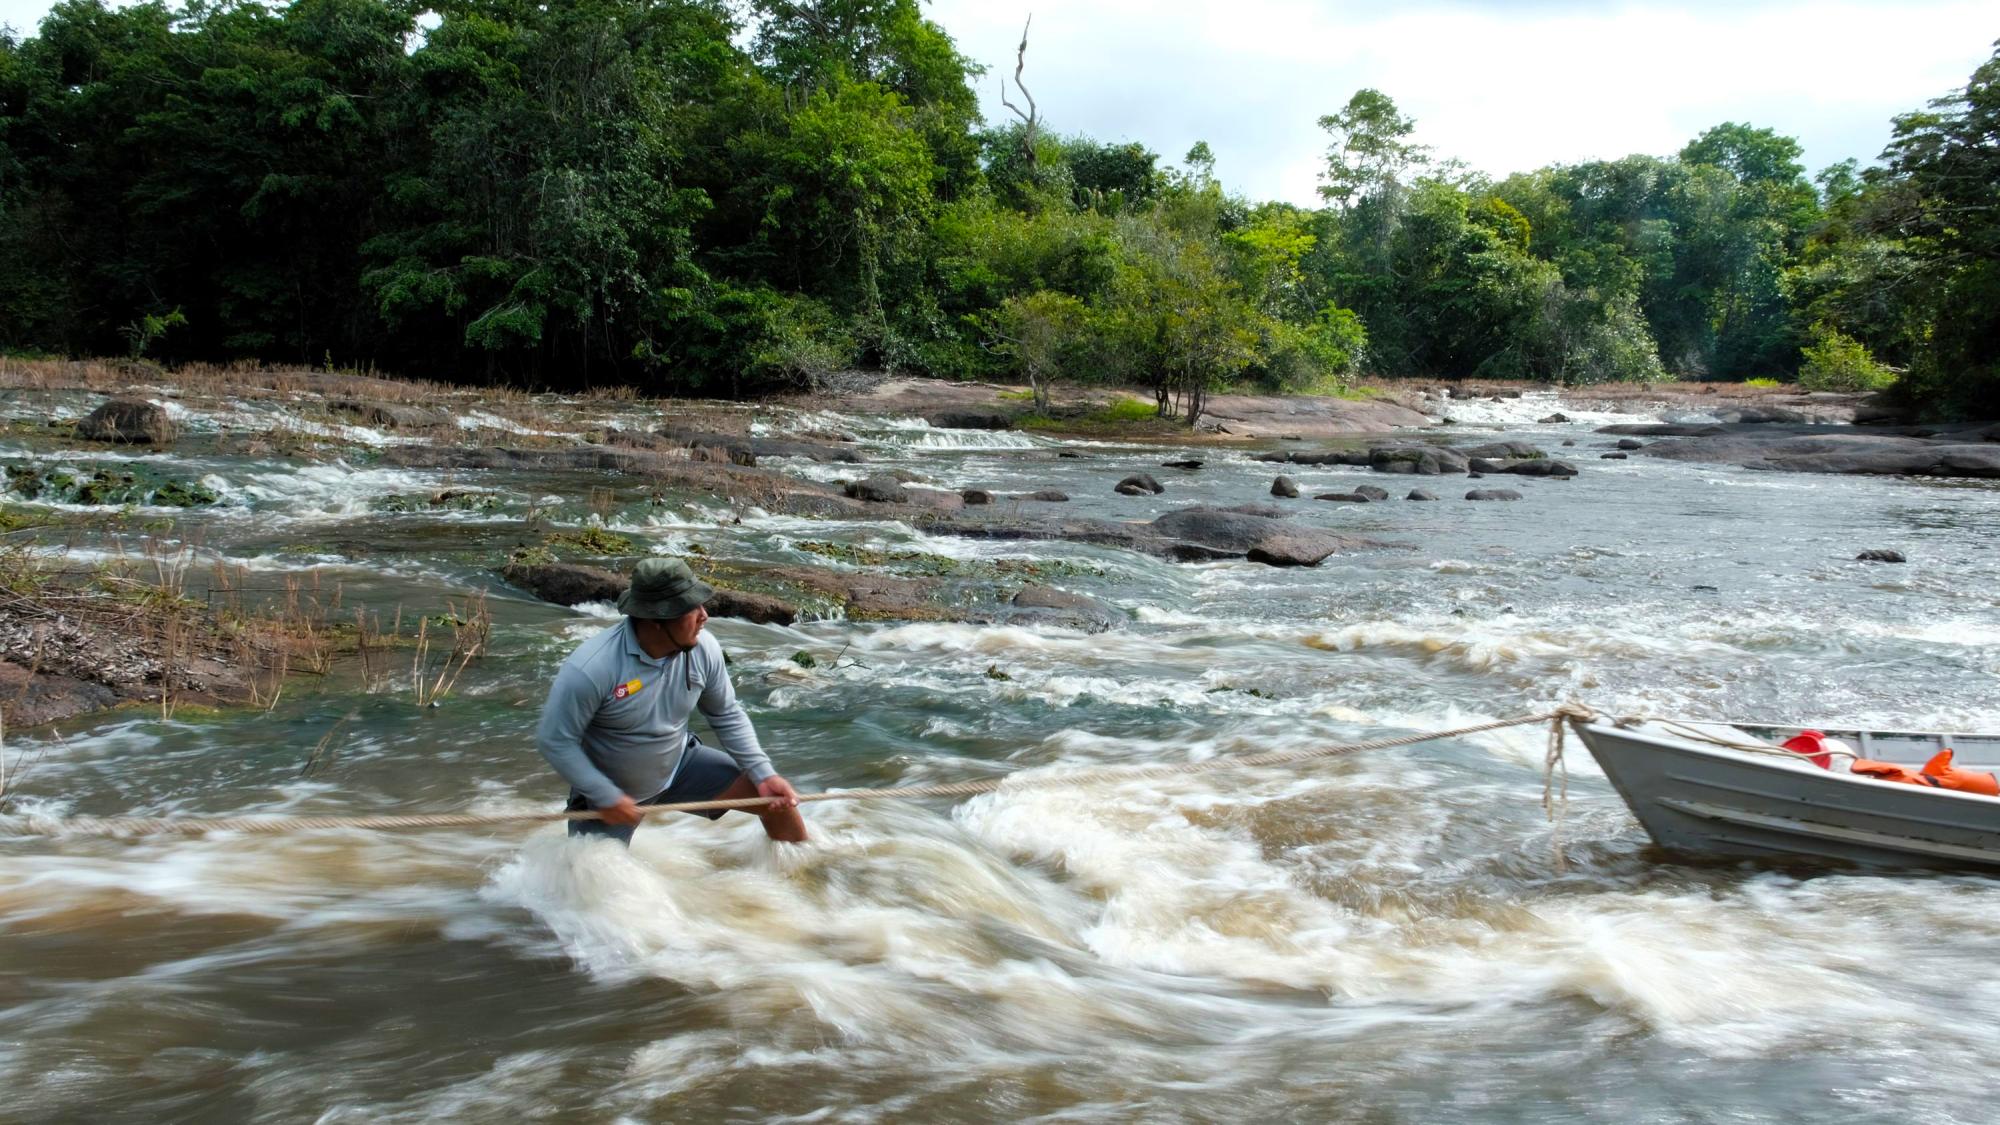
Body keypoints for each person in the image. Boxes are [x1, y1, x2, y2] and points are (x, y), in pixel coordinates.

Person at [535, 557, 806, 845]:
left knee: (775, 800)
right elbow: (555, 740)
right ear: (655, 621)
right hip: (610, 794)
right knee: (593, 884)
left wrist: (763, 774)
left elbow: (726, 714)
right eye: (690, 609)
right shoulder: (592, 668)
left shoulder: (704, 648)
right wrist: (603, 793)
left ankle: (801, 874)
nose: (704, 616)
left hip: (681, 764)